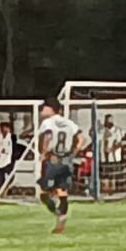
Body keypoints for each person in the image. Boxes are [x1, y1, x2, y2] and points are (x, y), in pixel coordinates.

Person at [37, 99, 86, 235]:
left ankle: (57, 212)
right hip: (66, 159)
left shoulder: (48, 122)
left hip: (53, 159)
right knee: (62, 192)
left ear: (51, 108)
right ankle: (61, 220)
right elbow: (82, 138)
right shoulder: (69, 123)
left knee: (44, 193)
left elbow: (48, 136)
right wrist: (74, 153)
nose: (41, 110)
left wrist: (43, 153)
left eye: (44, 108)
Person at [0, 122, 19, 194]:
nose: (4, 130)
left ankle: (4, 191)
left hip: (9, 162)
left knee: (9, 178)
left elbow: (14, 149)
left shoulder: (12, 138)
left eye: (6, 128)